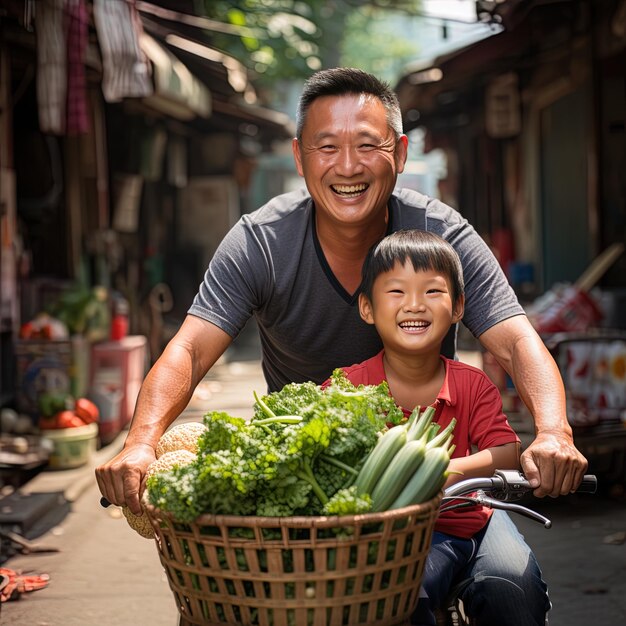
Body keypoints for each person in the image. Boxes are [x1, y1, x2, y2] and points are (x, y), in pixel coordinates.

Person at [96, 66, 586, 518]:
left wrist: (553, 433)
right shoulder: (260, 243)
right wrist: (141, 440)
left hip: (437, 483)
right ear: (299, 155)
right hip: (309, 483)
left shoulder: (441, 236)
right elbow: (189, 350)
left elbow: (518, 341)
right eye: (327, 147)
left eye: (368, 146)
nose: (347, 167)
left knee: (507, 585)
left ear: (400, 152)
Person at [331, 229, 547, 625]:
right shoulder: (346, 389)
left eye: (432, 292)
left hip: (473, 520)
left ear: (459, 306)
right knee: (398, 595)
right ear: (366, 307)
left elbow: (506, 451)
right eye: (396, 292)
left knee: (514, 584)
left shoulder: (472, 384)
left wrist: (447, 471)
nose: (414, 305)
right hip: (388, 536)